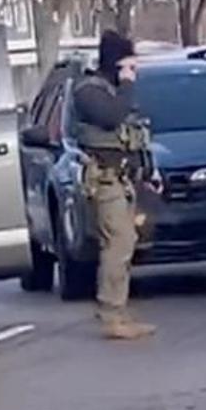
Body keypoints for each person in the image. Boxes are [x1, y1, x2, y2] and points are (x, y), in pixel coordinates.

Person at [71, 30, 156, 340]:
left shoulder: (113, 90)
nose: (134, 72)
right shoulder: (89, 91)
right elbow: (111, 117)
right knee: (117, 243)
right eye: (130, 65)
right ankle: (111, 312)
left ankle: (119, 309)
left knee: (126, 241)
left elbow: (131, 133)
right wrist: (127, 84)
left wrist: (147, 170)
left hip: (121, 177)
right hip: (103, 178)